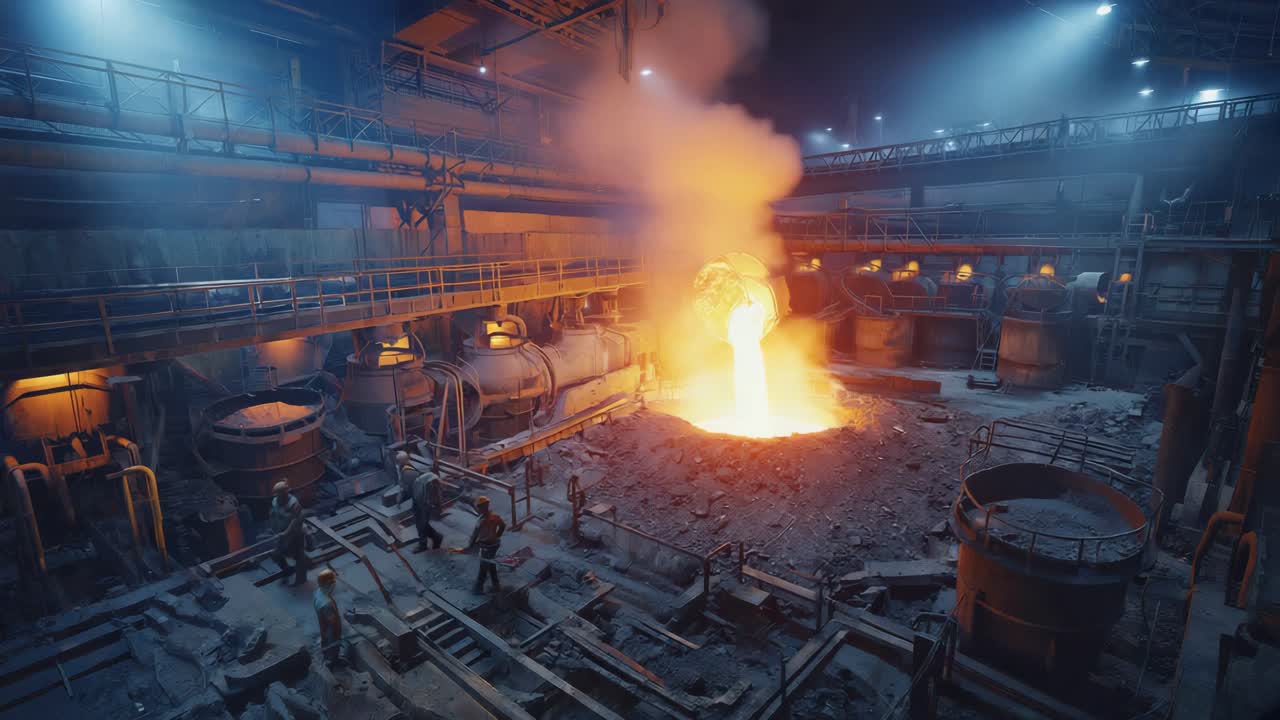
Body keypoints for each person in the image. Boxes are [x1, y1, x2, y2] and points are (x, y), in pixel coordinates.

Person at [465, 496, 506, 594]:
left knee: (483, 567)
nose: (478, 509)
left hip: (487, 547)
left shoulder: (481, 521)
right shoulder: (495, 516)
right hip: (494, 544)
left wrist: (470, 546)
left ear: (482, 507)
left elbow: (474, 535)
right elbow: (503, 525)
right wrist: (497, 535)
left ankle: (478, 588)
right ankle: (496, 586)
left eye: (478, 507)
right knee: (491, 564)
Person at [269, 480, 306, 585]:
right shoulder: (275, 501)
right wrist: (274, 529)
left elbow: (296, 521)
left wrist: (286, 533)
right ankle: (287, 570)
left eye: (280, 494)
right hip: (281, 532)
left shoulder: (294, 504)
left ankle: (301, 579)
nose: (278, 496)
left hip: (295, 534)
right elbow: (273, 514)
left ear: (285, 493)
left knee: (299, 557)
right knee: (275, 554)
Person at [411, 464, 444, 552]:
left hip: (423, 505)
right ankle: (436, 537)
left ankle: (425, 543)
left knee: (422, 525)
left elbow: (435, 497)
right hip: (418, 502)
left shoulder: (433, 481)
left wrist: (434, 507)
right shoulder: (421, 479)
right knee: (420, 524)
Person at [314, 568, 343, 665]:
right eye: (333, 582)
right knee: (333, 645)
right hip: (331, 630)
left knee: (325, 640)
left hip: (323, 626)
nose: (335, 585)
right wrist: (338, 634)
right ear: (328, 584)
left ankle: (327, 655)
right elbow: (333, 623)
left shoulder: (318, 592)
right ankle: (333, 662)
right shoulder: (327, 604)